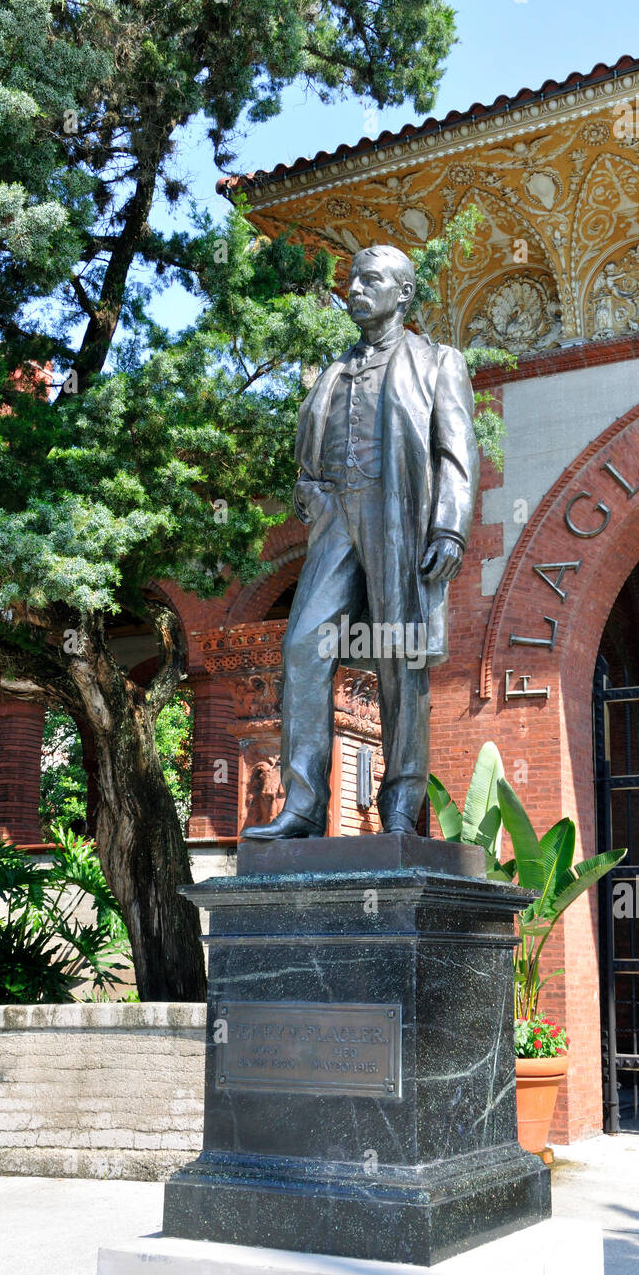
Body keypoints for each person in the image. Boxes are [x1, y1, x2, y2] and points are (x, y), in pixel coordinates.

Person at [242, 244, 479, 840]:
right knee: (303, 646)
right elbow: (309, 453)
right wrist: (312, 495)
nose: (354, 289)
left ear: (403, 293)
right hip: (336, 521)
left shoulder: (437, 362)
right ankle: (301, 805)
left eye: (370, 280)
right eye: (351, 279)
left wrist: (449, 526)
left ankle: (400, 804)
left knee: (400, 655)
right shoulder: (331, 371)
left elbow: (457, 453)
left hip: (399, 515)